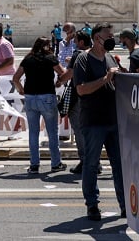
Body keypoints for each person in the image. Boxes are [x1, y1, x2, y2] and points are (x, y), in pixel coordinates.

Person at [73, 23, 125, 221]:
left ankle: (124, 205)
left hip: (113, 120)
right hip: (93, 121)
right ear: (96, 39)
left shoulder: (110, 57)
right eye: (108, 36)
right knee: (91, 164)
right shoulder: (83, 60)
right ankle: (92, 205)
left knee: (118, 165)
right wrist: (105, 78)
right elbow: (81, 89)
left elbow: (119, 78)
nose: (112, 39)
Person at [12, 36, 68, 174]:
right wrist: (59, 82)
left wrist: (21, 90)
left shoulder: (28, 59)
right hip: (47, 96)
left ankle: (34, 164)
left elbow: (15, 78)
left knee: (33, 132)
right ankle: (55, 163)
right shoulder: (50, 58)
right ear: (47, 46)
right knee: (52, 132)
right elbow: (63, 72)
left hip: (30, 97)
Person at [59, 30, 92, 175]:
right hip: (94, 96)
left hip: (79, 97)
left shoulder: (78, 55)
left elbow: (68, 75)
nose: (73, 43)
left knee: (79, 130)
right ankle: (94, 162)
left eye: (75, 41)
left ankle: (85, 161)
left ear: (81, 42)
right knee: (92, 131)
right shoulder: (96, 53)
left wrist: (59, 80)